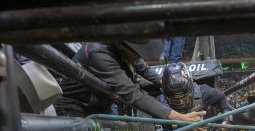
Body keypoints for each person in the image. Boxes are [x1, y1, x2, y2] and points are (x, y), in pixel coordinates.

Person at [54, 40, 204, 123]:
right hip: (73, 107)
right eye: (137, 54)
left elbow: (143, 69)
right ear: (119, 44)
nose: (139, 58)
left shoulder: (129, 50)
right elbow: (132, 93)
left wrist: (165, 81)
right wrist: (179, 117)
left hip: (98, 106)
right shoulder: (99, 53)